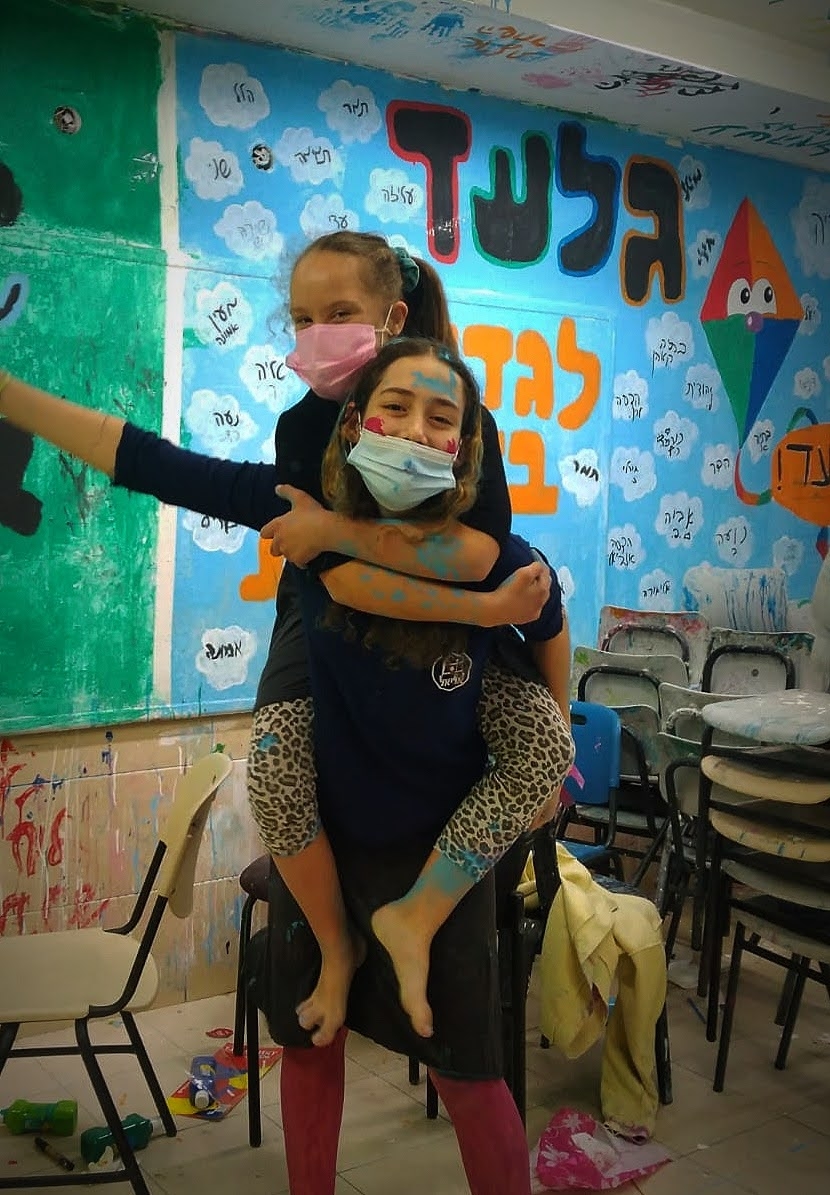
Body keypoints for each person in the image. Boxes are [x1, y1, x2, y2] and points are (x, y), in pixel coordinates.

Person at [0, 337, 565, 1194]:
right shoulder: (305, 528)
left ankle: (408, 924)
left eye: (440, 418)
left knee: (468, 1074)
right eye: (396, 407)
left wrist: (548, 757)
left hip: (440, 857)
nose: (416, 432)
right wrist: (13, 395)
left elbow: (547, 624)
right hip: (325, 849)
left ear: (465, 447)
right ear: (354, 422)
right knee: (308, 1045)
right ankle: (339, 952)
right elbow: (150, 461)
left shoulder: (496, 558)